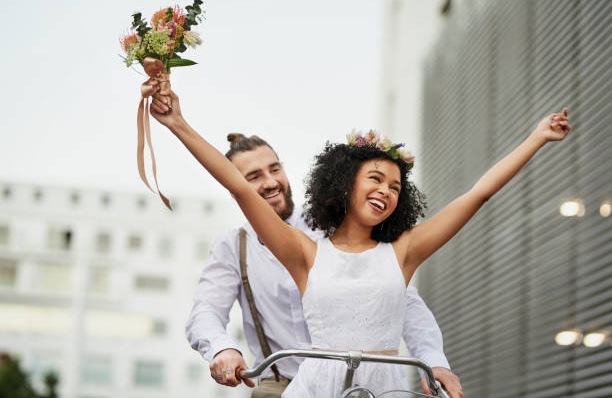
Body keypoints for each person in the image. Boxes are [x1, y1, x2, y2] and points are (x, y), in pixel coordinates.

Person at [149, 88, 570, 397]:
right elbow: (237, 189)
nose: (386, 190)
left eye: (396, 186)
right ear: (344, 184)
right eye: (375, 179)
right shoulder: (302, 251)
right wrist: (177, 124)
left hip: (383, 387)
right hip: (304, 387)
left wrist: (536, 137)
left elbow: (477, 194)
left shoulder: (403, 252)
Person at [185, 133, 463, 398]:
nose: (270, 182)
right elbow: (206, 310)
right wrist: (222, 349)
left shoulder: (338, 227)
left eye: (275, 169)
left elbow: (401, 301)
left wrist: (433, 360)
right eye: (254, 177)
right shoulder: (234, 246)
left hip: (359, 383)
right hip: (281, 384)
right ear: (237, 190)